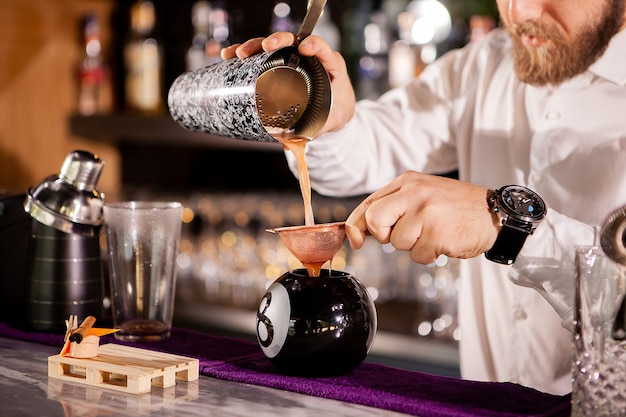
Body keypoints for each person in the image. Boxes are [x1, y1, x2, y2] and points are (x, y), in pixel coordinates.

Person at [221, 0, 626, 395]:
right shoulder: (483, 64)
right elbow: (361, 153)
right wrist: (327, 113)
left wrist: (509, 229)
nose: (520, 12)